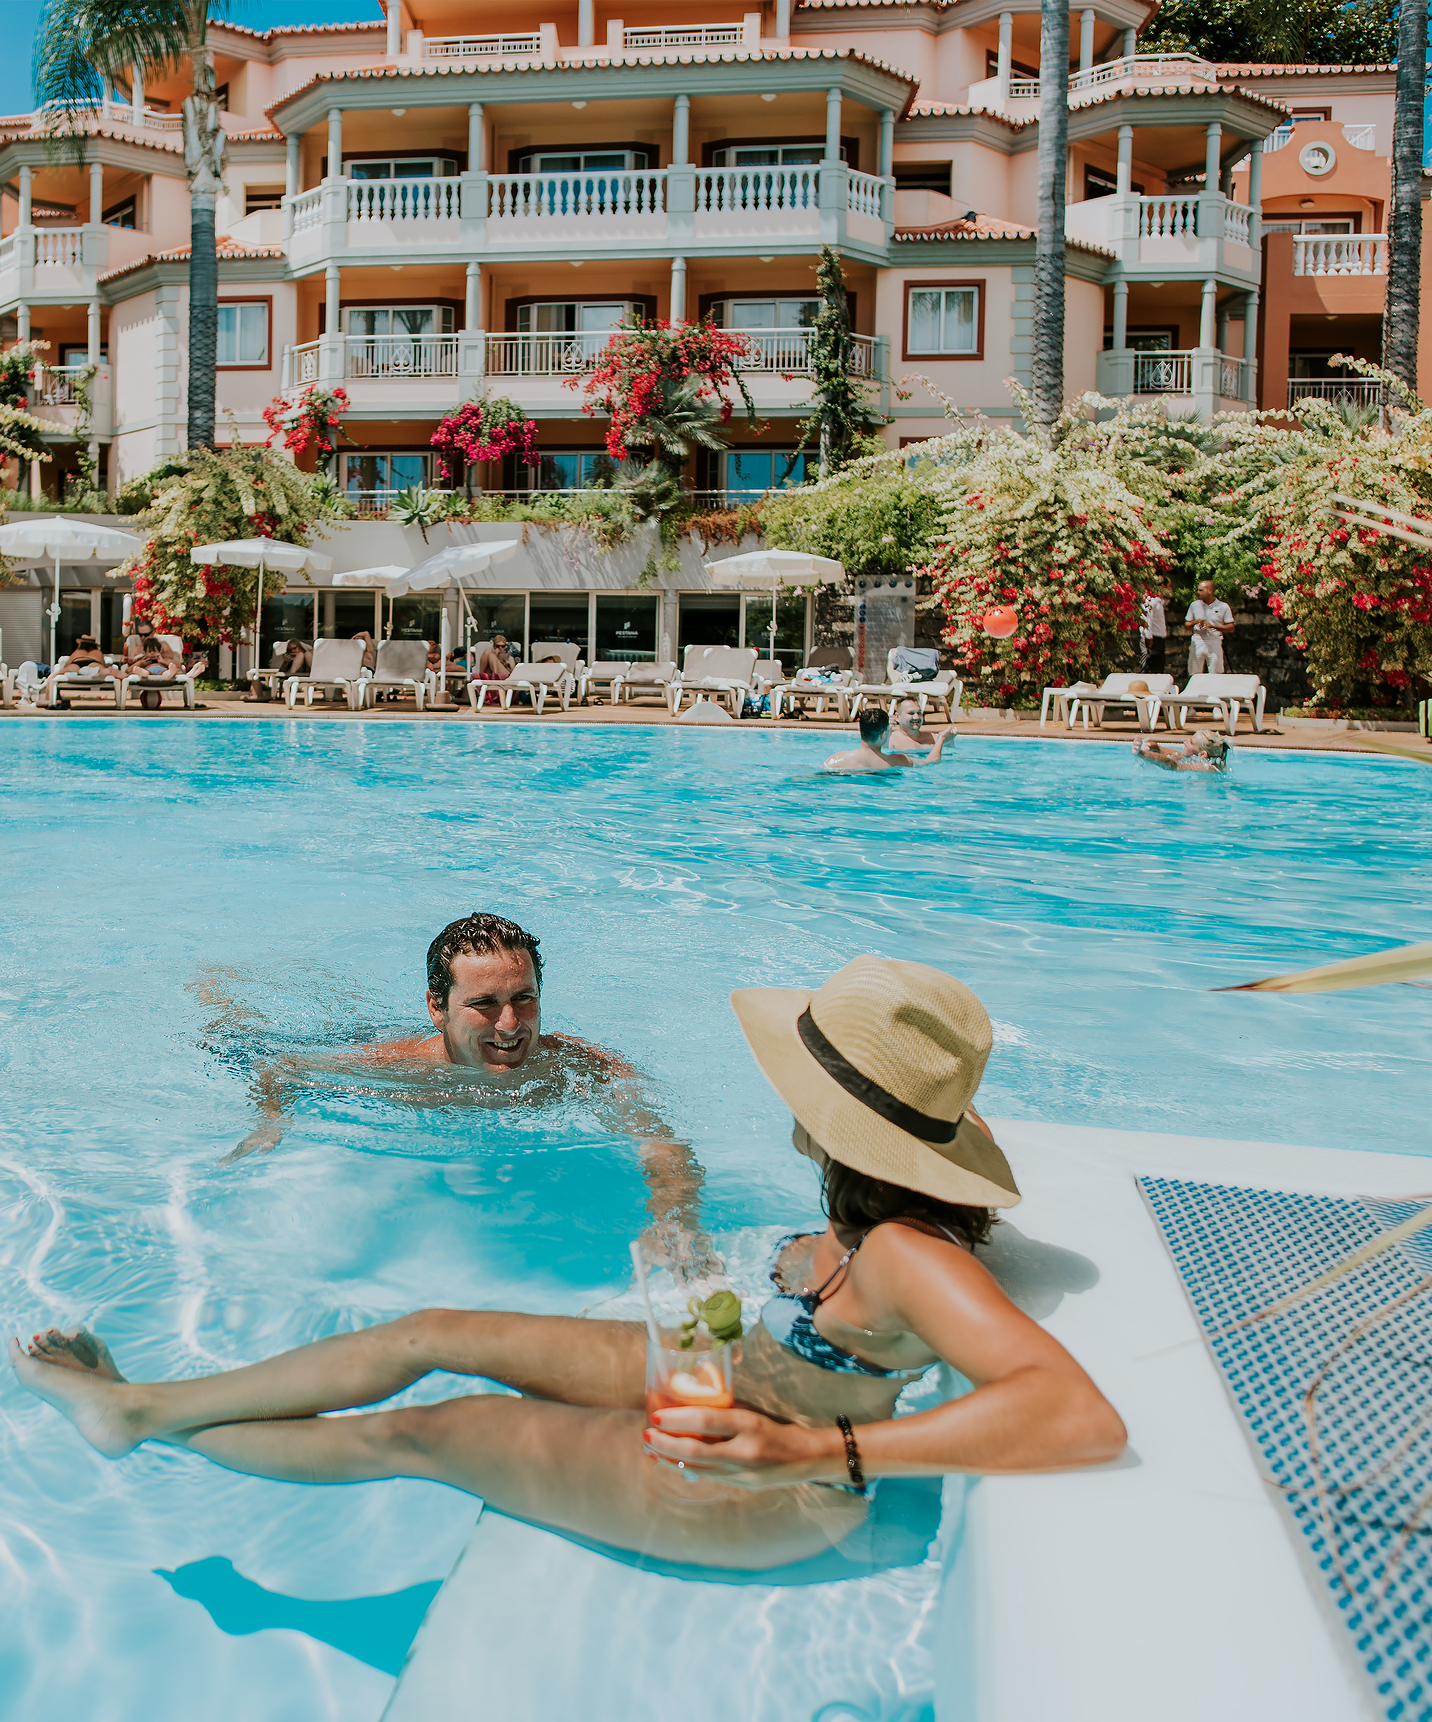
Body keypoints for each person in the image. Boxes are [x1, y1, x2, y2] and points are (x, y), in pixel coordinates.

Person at [10, 956, 1126, 1571]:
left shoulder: (905, 1251)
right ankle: (148, 1402)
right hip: (727, 1386)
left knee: (423, 1431)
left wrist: (813, 1448)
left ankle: (132, 1418)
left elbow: (1075, 1416)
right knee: (433, 1332)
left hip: (746, 1495)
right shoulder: (869, 1212)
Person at [825, 707, 951, 774]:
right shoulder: (898, 760)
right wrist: (941, 739)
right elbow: (931, 761)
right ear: (883, 734)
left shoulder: (837, 759)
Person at [1185, 580, 1233, 678]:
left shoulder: (1223, 606)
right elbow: (1186, 625)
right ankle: (1195, 692)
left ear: (1210, 591)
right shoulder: (1194, 605)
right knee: (1194, 673)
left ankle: (1214, 692)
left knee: (1215, 673)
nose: (1198, 593)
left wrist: (1213, 626)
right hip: (1198, 640)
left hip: (1214, 640)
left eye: (1201, 590)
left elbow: (1231, 627)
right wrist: (1195, 622)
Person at [1133, 730, 1231, 774]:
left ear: (1202, 754)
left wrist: (1141, 753)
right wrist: (1148, 745)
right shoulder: (1198, 758)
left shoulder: (1208, 768)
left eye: (1191, 742)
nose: (1185, 742)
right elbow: (1161, 750)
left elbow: (1174, 765)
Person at [1140, 586, 1167, 676]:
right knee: (1149, 670)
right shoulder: (1152, 600)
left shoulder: (1159, 601)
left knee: (1158, 671)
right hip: (1152, 639)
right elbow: (1147, 619)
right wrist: (1148, 639)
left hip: (1159, 639)